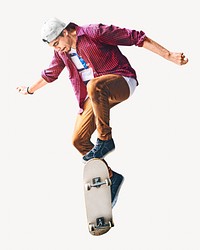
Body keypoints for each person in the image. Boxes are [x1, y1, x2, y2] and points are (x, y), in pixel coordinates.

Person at [17, 17, 188, 208]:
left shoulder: (94, 32)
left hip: (121, 81)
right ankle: (112, 177)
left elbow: (136, 37)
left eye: (57, 43)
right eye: (53, 47)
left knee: (95, 85)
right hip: (94, 95)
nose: (58, 49)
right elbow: (49, 74)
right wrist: (30, 90)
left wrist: (168, 55)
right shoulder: (61, 54)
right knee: (78, 140)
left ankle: (105, 139)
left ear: (65, 32)